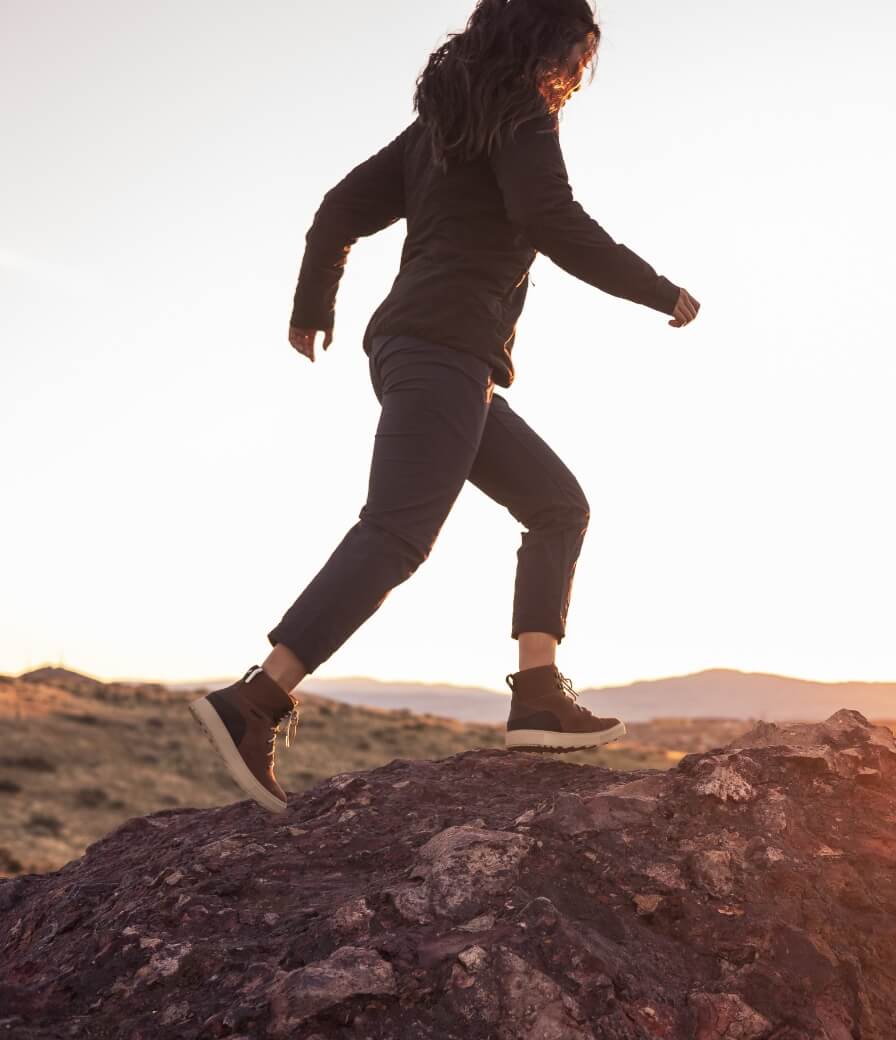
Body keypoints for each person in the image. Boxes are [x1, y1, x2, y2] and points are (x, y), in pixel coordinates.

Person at [189, 0, 699, 815]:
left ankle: (537, 696)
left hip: (425, 355)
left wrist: (311, 307)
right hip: (444, 355)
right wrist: (658, 291)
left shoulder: (442, 128)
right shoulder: (520, 117)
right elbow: (550, 218)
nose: (576, 70)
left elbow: (337, 210)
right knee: (396, 532)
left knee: (557, 504)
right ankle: (258, 699)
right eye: (577, 52)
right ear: (548, 43)